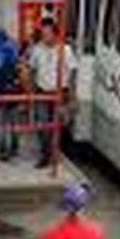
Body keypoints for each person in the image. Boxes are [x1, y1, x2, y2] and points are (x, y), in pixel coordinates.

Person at [25, 18, 76, 168]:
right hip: (42, 92)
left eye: (47, 34)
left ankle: (54, 152)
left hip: (60, 93)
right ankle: (45, 154)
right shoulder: (37, 49)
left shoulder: (65, 50)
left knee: (57, 125)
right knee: (42, 125)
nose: (44, 37)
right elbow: (32, 69)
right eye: (42, 34)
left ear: (55, 34)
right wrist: (31, 90)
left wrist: (72, 97)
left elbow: (72, 73)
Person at [0, 29, 21, 161]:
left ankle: (2, 150)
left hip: (0, 92)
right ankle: (14, 148)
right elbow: (19, 68)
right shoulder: (13, 49)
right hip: (14, 91)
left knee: (1, 123)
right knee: (14, 123)